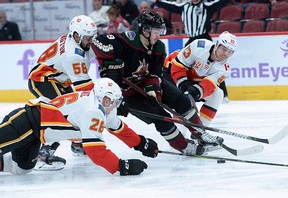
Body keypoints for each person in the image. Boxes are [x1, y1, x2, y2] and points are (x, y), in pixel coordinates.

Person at [91, 11, 224, 156]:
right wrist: (111, 63)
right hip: (129, 95)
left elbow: (154, 74)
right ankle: (184, 146)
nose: (159, 35)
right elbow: (98, 41)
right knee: (162, 119)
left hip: (145, 85)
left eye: (160, 31)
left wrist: (153, 91)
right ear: (145, 30)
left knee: (183, 102)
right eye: (156, 31)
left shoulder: (159, 47)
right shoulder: (129, 40)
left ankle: (200, 134)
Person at [0, 78, 158, 175]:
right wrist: (122, 166)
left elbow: (118, 127)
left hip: (37, 135)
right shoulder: (93, 111)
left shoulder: (100, 104)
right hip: (25, 122)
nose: (116, 106)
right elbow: (95, 151)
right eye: (115, 102)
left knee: (23, 168)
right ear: (105, 100)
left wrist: (140, 143)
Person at [148, 0, 242, 102]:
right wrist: (157, 1)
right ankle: (180, 85)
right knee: (181, 60)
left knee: (217, 65)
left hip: (205, 39)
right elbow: (171, 6)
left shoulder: (206, 6)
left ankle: (223, 95)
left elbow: (219, 4)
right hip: (192, 39)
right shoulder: (185, 6)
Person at [28, 15, 97, 169]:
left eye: (92, 37)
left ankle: (77, 143)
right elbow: (85, 89)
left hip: (56, 80)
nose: (91, 41)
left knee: (74, 108)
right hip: (42, 81)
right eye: (88, 38)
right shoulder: (73, 54)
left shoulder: (76, 39)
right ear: (77, 35)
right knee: (61, 115)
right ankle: (43, 154)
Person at [163, 31, 237, 127]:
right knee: (184, 100)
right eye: (224, 49)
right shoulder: (199, 46)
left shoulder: (225, 68)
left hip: (193, 79)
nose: (226, 54)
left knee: (218, 94)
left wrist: (195, 93)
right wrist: (185, 86)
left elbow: (208, 85)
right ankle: (182, 134)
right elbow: (178, 66)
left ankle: (201, 129)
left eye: (230, 52)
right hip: (169, 72)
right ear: (217, 44)